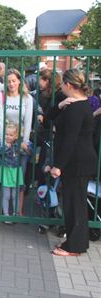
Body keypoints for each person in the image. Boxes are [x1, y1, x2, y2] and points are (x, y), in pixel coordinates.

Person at [48, 69, 97, 256]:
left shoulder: (77, 108)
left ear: (69, 85)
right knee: (75, 203)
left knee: (74, 204)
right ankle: (77, 242)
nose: (60, 87)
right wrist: (60, 104)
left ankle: (74, 247)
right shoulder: (74, 104)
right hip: (78, 162)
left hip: (77, 163)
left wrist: (58, 166)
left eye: (62, 84)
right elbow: (49, 116)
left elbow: (71, 140)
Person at [0, 68, 33, 215]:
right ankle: (0, 209)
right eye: (8, 81)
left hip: (20, 141)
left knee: (19, 177)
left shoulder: (27, 99)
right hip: (6, 140)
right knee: (2, 174)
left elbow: (28, 122)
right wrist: (5, 142)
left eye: (14, 81)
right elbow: (0, 118)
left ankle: (19, 211)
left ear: (19, 81)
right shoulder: (1, 96)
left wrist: (25, 142)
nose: (11, 84)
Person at [0, 123, 29, 222]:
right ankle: (6, 215)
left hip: (16, 172)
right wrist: (5, 147)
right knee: (6, 195)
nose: (8, 137)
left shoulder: (18, 145)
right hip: (5, 171)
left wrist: (25, 148)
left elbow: (29, 153)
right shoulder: (2, 144)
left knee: (15, 195)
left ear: (15, 136)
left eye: (10, 135)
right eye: (6, 134)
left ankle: (15, 213)